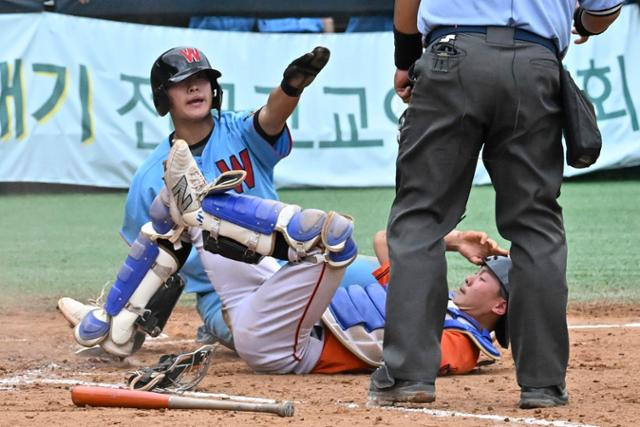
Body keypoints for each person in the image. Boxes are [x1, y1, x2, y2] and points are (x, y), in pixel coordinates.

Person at [370, 0, 623, 410]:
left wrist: (405, 58)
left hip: (452, 57)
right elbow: (604, 8)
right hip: (536, 65)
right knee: (535, 225)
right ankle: (542, 383)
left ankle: (408, 376)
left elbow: (408, 3)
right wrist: (584, 23)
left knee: (421, 218)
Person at [57, 44, 331, 357]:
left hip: (288, 269)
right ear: (163, 96)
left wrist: (291, 87)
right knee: (284, 333)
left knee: (356, 293)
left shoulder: (240, 132)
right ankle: (213, 325)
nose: (193, 87)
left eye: (201, 78)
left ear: (214, 88)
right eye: (181, 82)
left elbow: (271, 116)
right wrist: (126, 317)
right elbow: (147, 256)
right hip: (222, 295)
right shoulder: (149, 180)